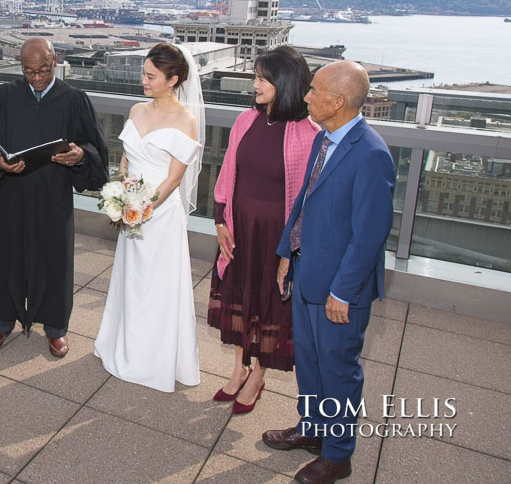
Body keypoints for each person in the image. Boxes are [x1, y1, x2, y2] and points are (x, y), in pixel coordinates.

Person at [262, 61, 396, 484]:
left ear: (337, 101)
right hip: (306, 273)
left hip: (339, 288)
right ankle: (313, 429)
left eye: (314, 90)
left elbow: (369, 236)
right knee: (310, 361)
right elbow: (305, 200)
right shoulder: (325, 138)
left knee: (338, 370)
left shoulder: (372, 155)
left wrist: (343, 291)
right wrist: (287, 252)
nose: (305, 96)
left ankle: (338, 455)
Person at [0, 37, 109, 357]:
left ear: (55, 60)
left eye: (43, 69)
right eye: (29, 71)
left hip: (53, 197)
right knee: (7, 258)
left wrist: (79, 156)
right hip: (12, 197)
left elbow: (96, 150)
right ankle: (1, 321)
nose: (37, 77)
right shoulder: (5, 96)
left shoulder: (75, 100)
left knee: (54, 261)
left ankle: (56, 328)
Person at [207, 46, 320, 414]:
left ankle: (258, 374)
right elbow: (228, 172)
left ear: (284, 83)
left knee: (268, 303)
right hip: (241, 225)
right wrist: (221, 219)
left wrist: (292, 244)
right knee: (241, 294)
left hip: (277, 233)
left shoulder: (309, 133)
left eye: (261, 78)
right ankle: (238, 367)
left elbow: (308, 198)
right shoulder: (246, 120)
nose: (254, 84)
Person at [93, 42, 204, 391]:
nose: (144, 80)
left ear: (173, 79)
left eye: (151, 75)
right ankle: (120, 343)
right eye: (144, 72)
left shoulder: (186, 121)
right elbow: (126, 159)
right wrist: (121, 194)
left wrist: (145, 207)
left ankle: (150, 357)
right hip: (131, 207)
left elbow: (174, 177)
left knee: (156, 284)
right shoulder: (136, 109)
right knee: (130, 280)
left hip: (159, 212)